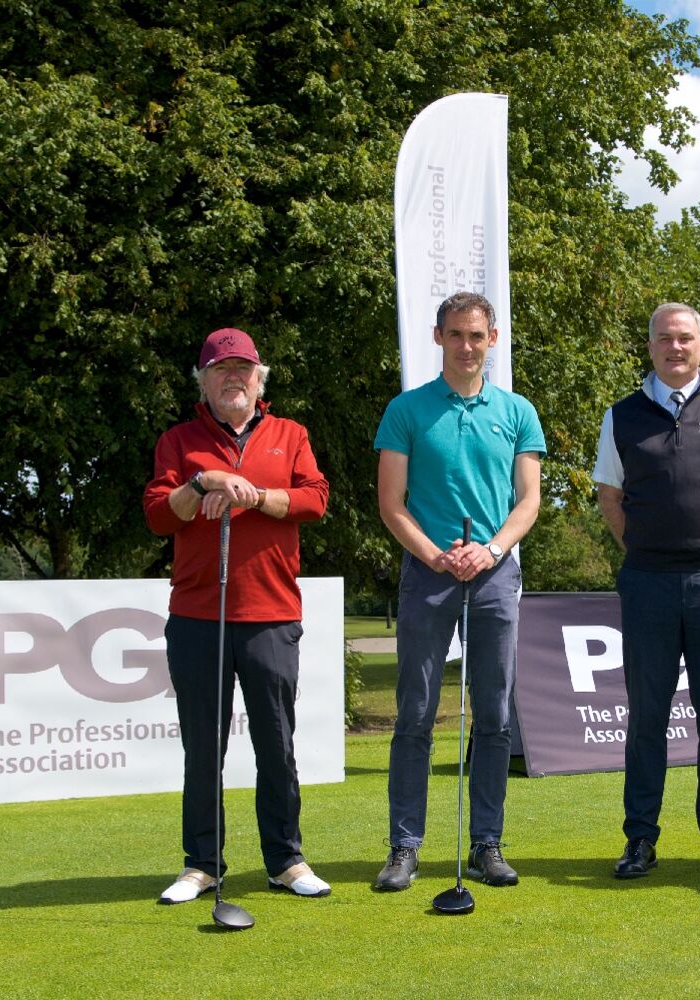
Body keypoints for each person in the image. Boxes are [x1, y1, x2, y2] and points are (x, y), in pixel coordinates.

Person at [144, 327, 332, 904]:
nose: (234, 378)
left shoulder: (290, 435)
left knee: (277, 743)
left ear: (259, 379)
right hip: (198, 614)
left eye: (243, 369)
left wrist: (254, 495)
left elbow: (314, 499)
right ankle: (202, 864)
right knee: (204, 747)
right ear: (202, 381)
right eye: (220, 369)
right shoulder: (179, 441)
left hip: (271, 612)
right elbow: (159, 515)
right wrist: (204, 481)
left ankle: (286, 860)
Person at [372, 291, 544, 891]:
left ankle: (486, 844)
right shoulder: (407, 409)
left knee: (494, 715)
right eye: (455, 335)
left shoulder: (518, 411)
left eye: (476, 335)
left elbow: (528, 501)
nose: (466, 346)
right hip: (429, 573)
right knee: (415, 713)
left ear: (492, 339)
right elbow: (391, 503)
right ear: (438, 337)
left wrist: (490, 550)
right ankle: (404, 846)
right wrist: (435, 555)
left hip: (494, 574)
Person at [593, 302, 700, 879]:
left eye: (685, 338)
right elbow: (610, 497)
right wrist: (646, 550)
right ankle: (640, 837)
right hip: (647, 582)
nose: (675, 347)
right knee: (647, 716)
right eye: (664, 338)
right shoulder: (621, 416)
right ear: (650, 347)